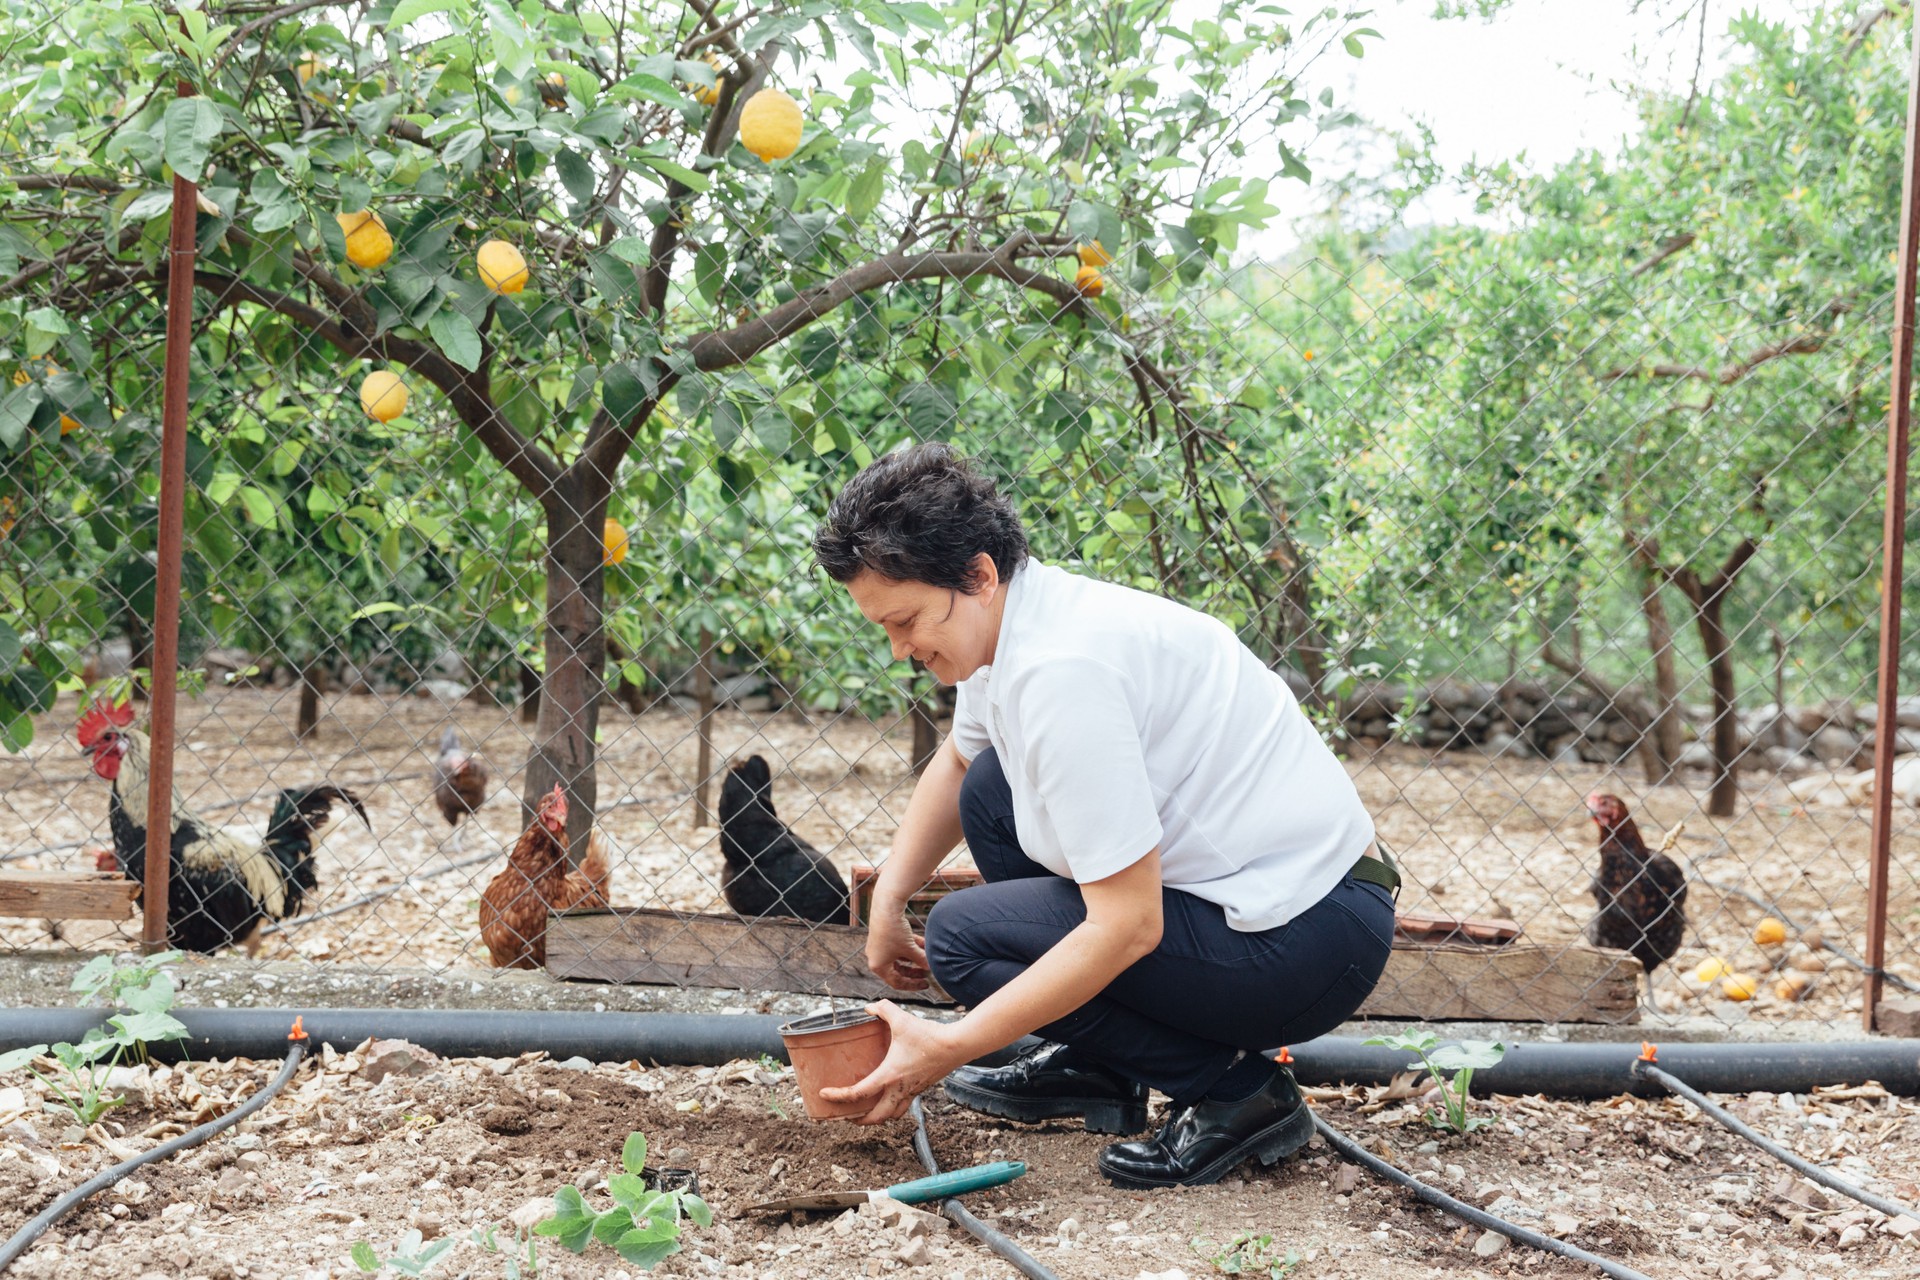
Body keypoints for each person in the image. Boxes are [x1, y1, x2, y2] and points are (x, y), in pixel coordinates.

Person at [809, 443, 1396, 1188]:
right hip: (1285, 905)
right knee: (992, 787)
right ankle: (1102, 1067)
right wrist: (890, 896)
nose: (899, 650)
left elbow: (1129, 924)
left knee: (960, 939)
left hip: (1305, 941)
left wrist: (948, 1045)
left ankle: (1235, 1093)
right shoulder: (1016, 626)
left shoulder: (1063, 672)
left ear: (979, 576)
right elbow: (959, 764)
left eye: (906, 621)